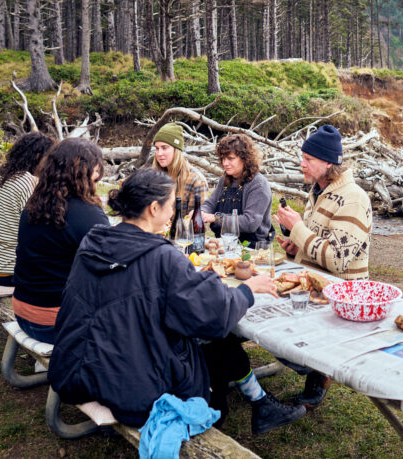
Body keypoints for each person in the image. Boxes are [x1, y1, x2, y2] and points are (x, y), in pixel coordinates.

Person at [47, 168, 306, 435]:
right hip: (127, 388)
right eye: (170, 206)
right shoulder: (162, 257)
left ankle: (255, 398)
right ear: (153, 208)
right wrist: (248, 290)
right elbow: (213, 314)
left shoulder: (95, 240)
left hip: (73, 369)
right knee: (211, 343)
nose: (173, 214)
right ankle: (221, 412)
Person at [272, 124, 373, 407]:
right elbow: (317, 241)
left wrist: (298, 229)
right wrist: (296, 245)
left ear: (329, 163)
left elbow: (338, 260)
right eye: (302, 157)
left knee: (279, 339)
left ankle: (320, 368)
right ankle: (316, 367)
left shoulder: (353, 199)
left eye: (308, 159)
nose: (301, 164)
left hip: (341, 296)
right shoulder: (318, 191)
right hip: (313, 286)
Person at [12, 138, 109, 344]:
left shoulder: (34, 205)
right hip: (57, 323)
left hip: (23, 311)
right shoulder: (87, 214)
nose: (98, 176)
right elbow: (111, 265)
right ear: (82, 172)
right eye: (96, 171)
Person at [0, 132, 55, 286]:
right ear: (38, 156)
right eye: (49, 159)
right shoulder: (28, 182)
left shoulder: (4, 176)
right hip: (8, 271)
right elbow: (38, 227)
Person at [201, 134, 273, 249]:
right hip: (223, 244)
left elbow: (250, 222)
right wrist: (201, 213)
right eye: (223, 158)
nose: (225, 163)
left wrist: (216, 218)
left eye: (230, 158)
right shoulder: (224, 180)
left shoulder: (258, 184)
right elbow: (210, 204)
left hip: (251, 249)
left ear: (245, 158)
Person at [152, 122, 208, 227]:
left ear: (176, 150)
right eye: (157, 148)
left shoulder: (196, 180)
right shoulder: (154, 176)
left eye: (164, 148)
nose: (159, 153)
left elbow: (197, 225)